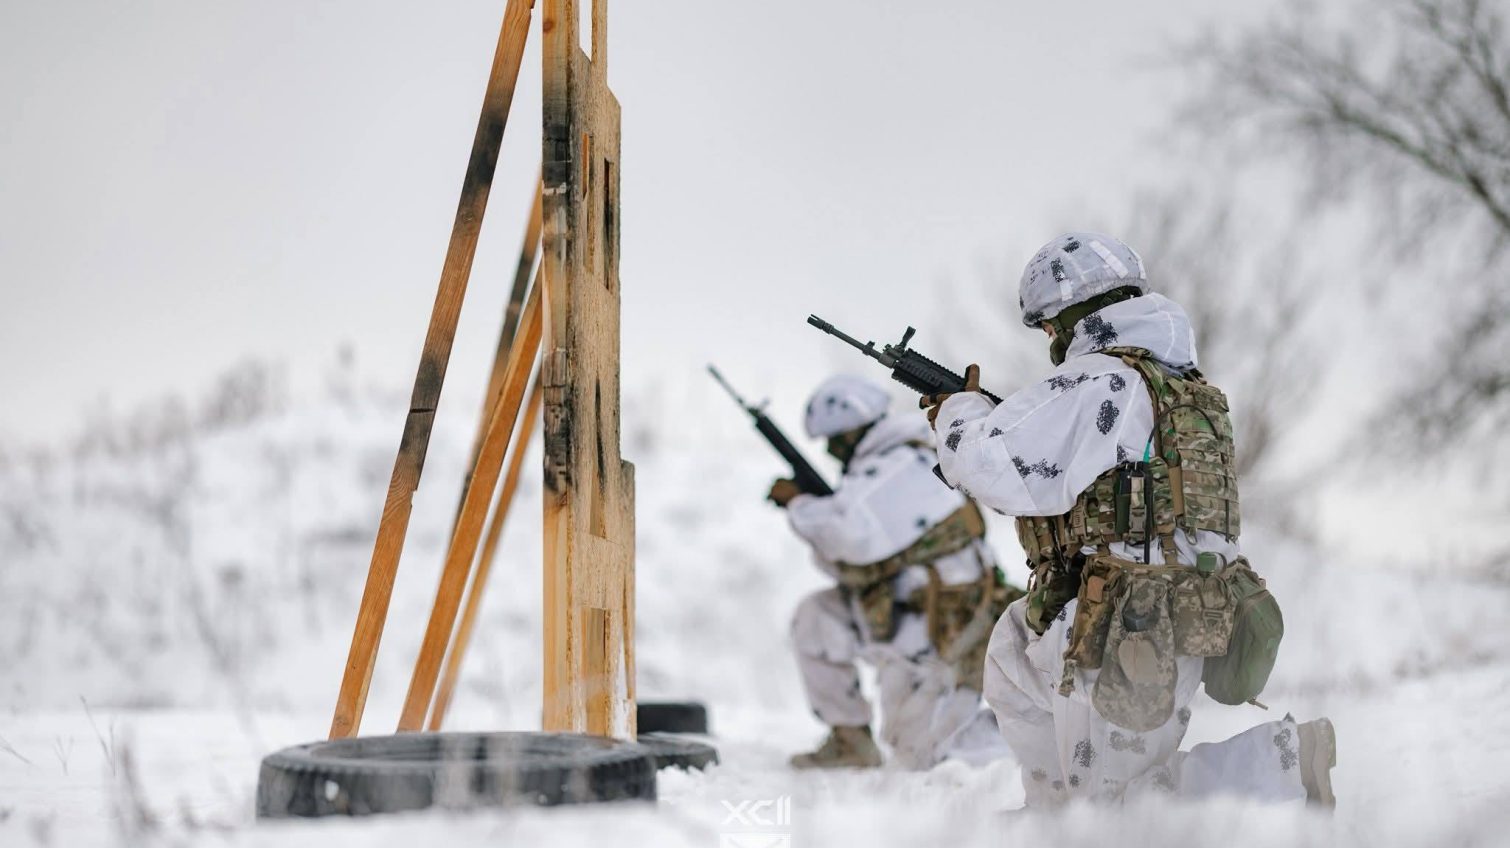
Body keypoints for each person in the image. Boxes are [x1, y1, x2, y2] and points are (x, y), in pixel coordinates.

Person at [922, 232, 1336, 807]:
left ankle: (1279, 767)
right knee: (1014, 655)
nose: (1050, 339)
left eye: (1048, 325)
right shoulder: (1176, 384)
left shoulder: (1104, 380)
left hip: (1129, 622)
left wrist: (959, 412)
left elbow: (994, 466)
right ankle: (1055, 821)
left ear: (1073, 314)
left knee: (1118, 805)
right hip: (1160, 606)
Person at [772, 375, 1021, 770]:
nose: (834, 453)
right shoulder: (888, 463)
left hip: (940, 627)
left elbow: (845, 537)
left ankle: (1012, 743)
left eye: (836, 442)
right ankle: (849, 740)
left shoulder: (903, 463)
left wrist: (800, 504)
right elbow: (843, 563)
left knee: (924, 756)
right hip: (901, 615)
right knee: (818, 616)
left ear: (852, 432)